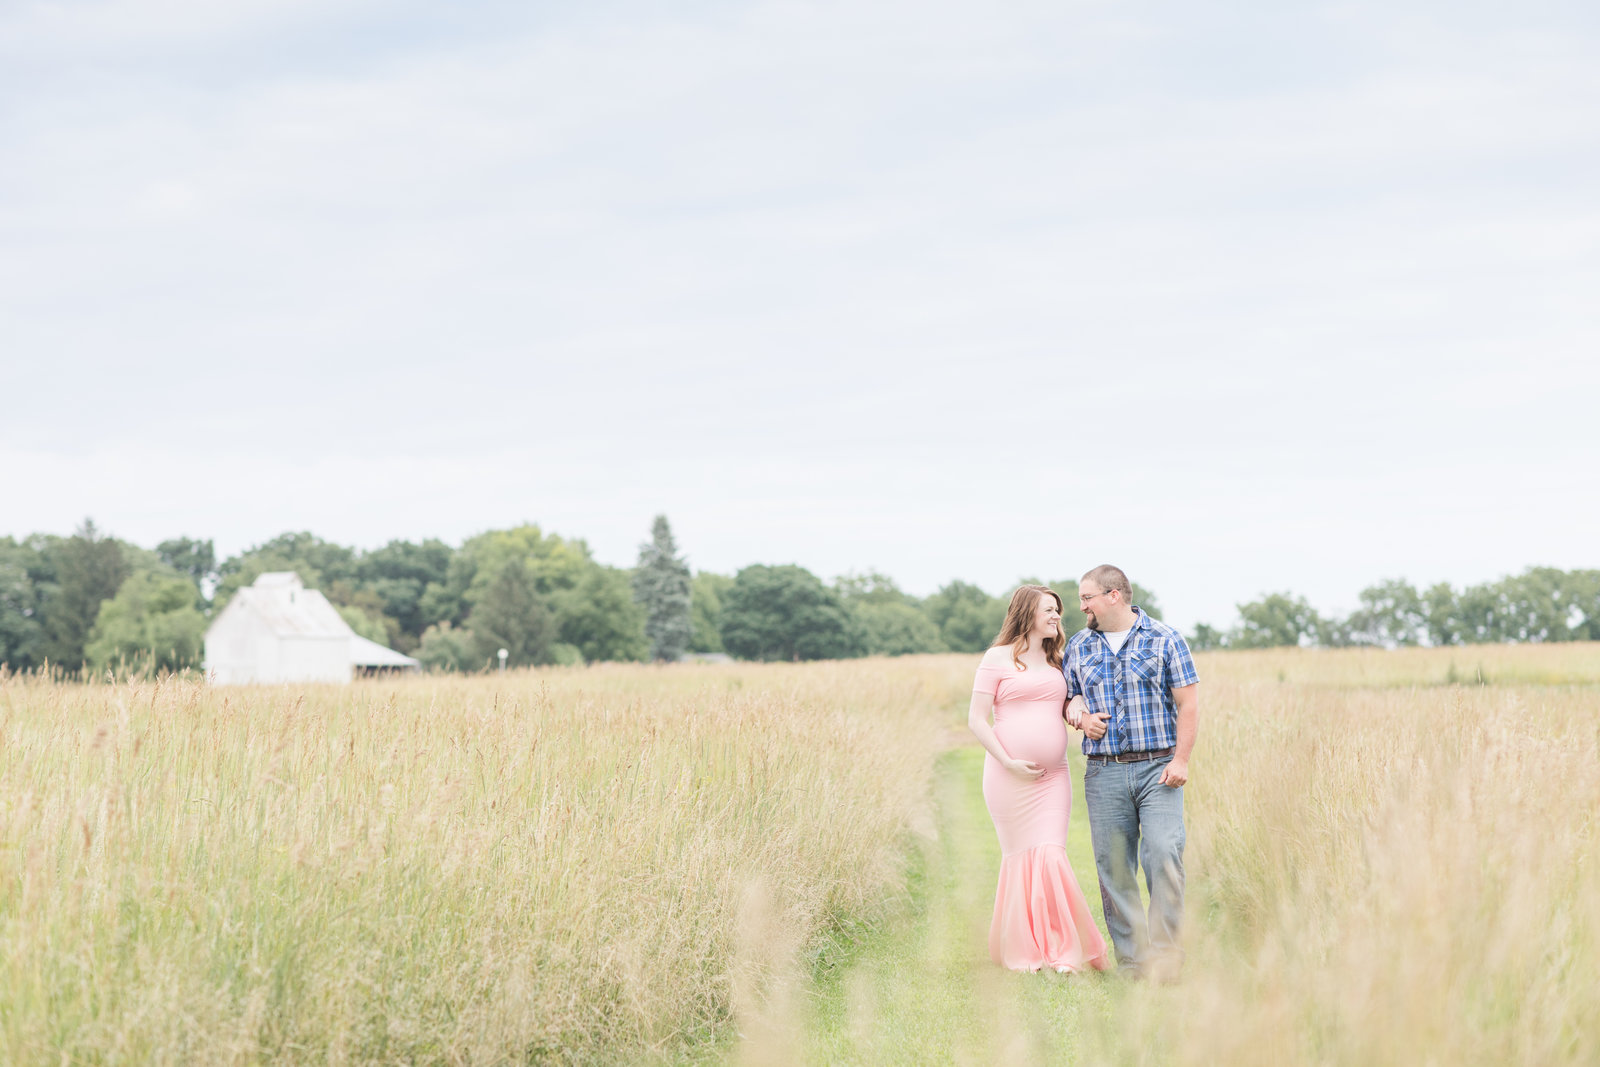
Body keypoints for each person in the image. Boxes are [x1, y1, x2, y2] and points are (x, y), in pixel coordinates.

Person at [1063, 564, 1199, 982]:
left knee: (1163, 855)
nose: (1081, 605)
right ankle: (1133, 965)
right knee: (1114, 869)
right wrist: (1080, 718)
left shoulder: (1165, 639)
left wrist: (1181, 760)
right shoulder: (1079, 646)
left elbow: (1188, 704)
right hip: (1104, 771)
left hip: (1159, 770)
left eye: (1087, 597)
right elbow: (1069, 698)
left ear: (1113, 595)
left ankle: (1166, 960)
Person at [969, 584, 1108, 973]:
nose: (1056, 617)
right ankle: (1029, 951)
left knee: (1050, 855)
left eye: (1058, 611)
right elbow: (976, 719)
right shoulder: (997, 659)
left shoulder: (1057, 660)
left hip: (1052, 779)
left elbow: (1069, 701)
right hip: (1006, 777)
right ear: (1027, 612)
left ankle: (1063, 952)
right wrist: (1008, 761)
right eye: (1049, 610)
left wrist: (1077, 704)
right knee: (1021, 860)